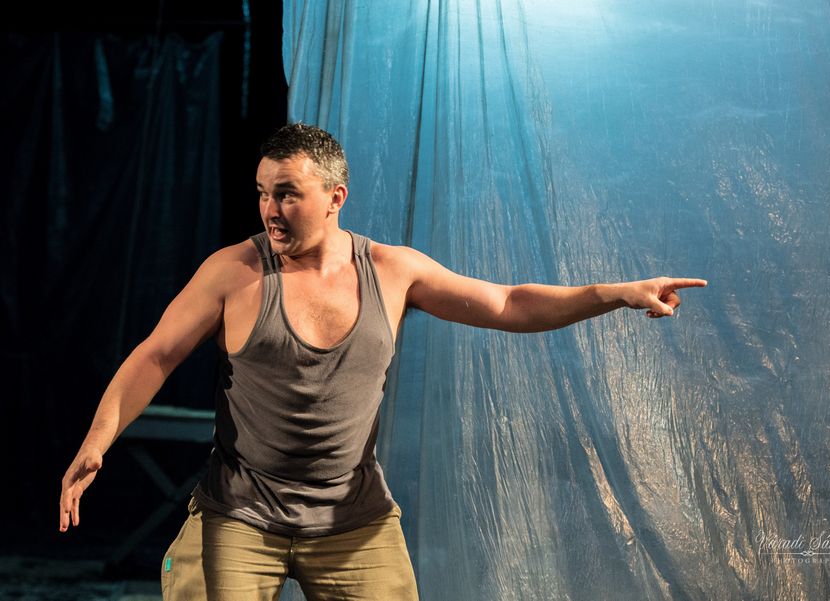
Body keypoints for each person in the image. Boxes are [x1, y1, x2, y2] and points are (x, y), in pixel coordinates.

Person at [59, 122, 708, 600]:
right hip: (240, 514)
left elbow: (509, 303)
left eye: (287, 194)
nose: (270, 211)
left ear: (335, 197)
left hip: (353, 519)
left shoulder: (392, 271)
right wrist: (98, 437)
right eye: (262, 193)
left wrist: (616, 293)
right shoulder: (234, 272)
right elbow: (155, 355)